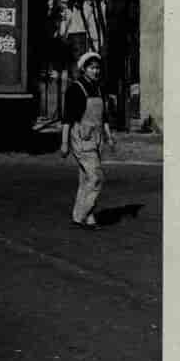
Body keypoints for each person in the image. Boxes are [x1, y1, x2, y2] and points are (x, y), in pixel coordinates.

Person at [61, 52, 115, 229]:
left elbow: (104, 116)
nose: (96, 71)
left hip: (97, 138)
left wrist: (109, 137)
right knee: (96, 178)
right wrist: (64, 143)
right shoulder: (75, 89)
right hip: (82, 137)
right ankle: (82, 214)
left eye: (98, 68)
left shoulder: (98, 88)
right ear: (84, 69)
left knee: (86, 178)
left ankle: (86, 216)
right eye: (92, 68)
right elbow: (67, 119)